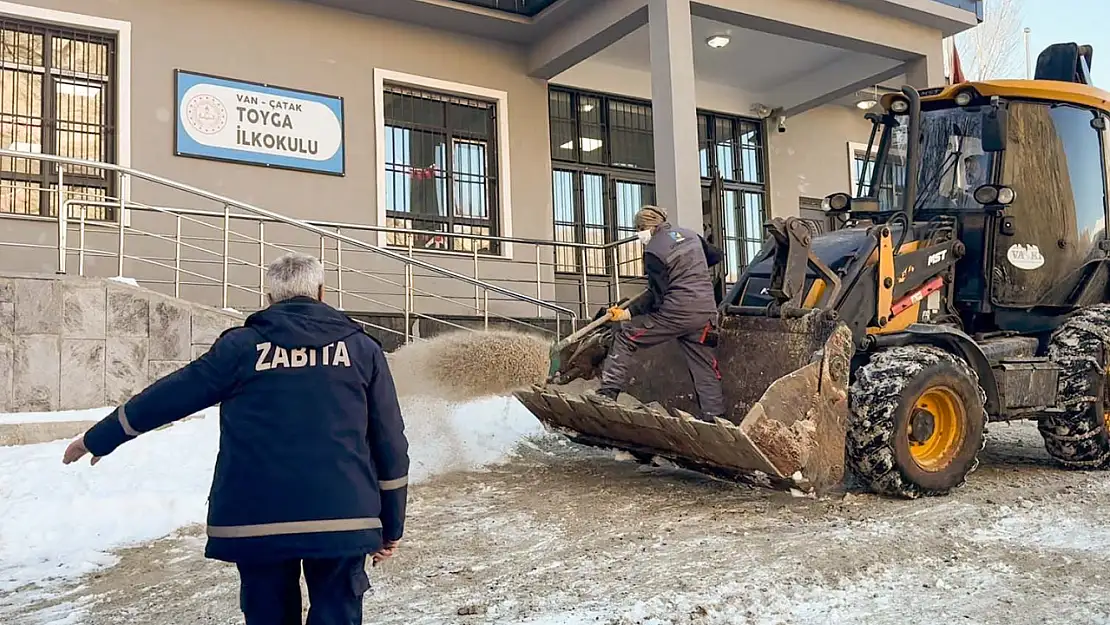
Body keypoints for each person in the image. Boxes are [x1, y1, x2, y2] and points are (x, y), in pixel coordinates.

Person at [61, 252, 409, 625]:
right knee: (337, 613)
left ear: (270, 296)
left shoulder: (241, 349)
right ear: (322, 293)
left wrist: (101, 438)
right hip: (344, 517)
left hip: (257, 520)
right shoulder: (361, 351)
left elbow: (170, 396)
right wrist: (390, 526)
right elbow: (390, 442)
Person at [593, 205, 727, 422]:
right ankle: (715, 416)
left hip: (677, 312)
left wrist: (628, 313)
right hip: (705, 312)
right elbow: (715, 256)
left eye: (638, 230)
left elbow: (658, 296)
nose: (639, 235)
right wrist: (688, 267)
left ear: (646, 228)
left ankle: (608, 392)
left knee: (626, 336)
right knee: (703, 364)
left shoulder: (654, 250)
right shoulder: (690, 235)